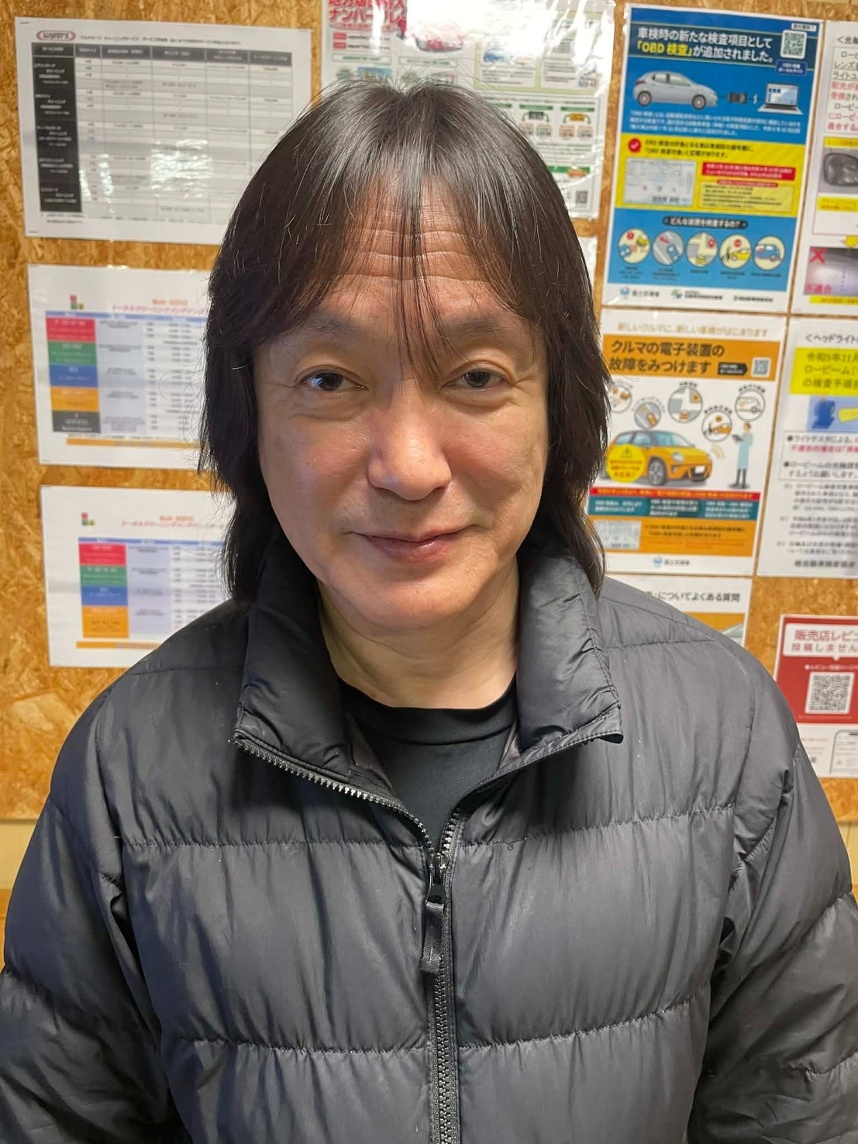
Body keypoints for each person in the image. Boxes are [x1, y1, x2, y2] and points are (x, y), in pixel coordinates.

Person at [1, 80, 856, 1143]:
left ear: (559, 406)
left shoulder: (728, 744)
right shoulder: (126, 773)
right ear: (248, 412)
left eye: (477, 375)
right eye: (330, 380)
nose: (407, 465)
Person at [730, 421, 754, 489]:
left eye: (745, 426)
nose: (744, 427)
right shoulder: (743, 434)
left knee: (744, 467)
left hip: (745, 451)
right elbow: (739, 442)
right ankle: (737, 482)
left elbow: (750, 443)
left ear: (748, 427)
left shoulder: (750, 435)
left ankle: (743, 483)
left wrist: (744, 441)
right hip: (741, 451)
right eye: (744, 426)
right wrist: (736, 440)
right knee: (739, 466)